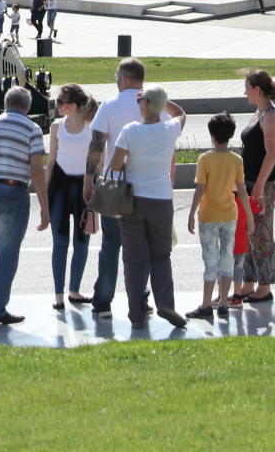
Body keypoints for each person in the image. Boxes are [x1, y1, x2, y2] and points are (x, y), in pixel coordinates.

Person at [105, 86, 189, 329]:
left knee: (134, 258)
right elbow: (181, 114)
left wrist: (130, 162)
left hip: (133, 200)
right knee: (161, 255)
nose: (138, 104)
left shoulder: (130, 130)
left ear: (146, 104)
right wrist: (163, 102)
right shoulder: (169, 129)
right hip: (161, 200)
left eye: (140, 101)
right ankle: (165, 303)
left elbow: (115, 165)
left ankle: (136, 315)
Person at [0, 86, 49, 326]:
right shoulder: (32, 129)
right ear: (27, 107)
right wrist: (44, 208)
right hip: (13, 191)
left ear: (6, 103)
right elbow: (36, 170)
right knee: (7, 255)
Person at [82, 58, 146, 318]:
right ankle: (140, 298)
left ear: (124, 78)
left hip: (114, 184)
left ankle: (103, 302)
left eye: (117, 77)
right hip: (147, 184)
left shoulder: (109, 105)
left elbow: (97, 146)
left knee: (111, 245)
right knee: (141, 247)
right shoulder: (155, 103)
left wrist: (88, 180)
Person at [186, 113, 254, 320]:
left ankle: (207, 304)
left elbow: (200, 189)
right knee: (227, 257)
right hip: (229, 214)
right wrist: (249, 217)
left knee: (210, 259)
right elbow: (241, 190)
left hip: (208, 215)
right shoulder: (236, 160)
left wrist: (191, 213)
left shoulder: (205, 159)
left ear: (212, 136)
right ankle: (224, 302)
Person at [46, 83, 96, 312]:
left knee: (82, 241)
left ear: (74, 105)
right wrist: (44, 197)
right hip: (59, 186)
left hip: (84, 186)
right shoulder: (57, 126)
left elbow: (98, 161)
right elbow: (50, 162)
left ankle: (74, 290)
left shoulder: (91, 127)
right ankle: (58, 294)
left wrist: (96, 189)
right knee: (60, 240)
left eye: (61, 102)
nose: (58, 105)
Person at [237, 69, 275, 304]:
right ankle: (248, 283)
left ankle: (264, 286)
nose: (244, 92)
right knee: (248, 233)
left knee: (262, 234)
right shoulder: (260, 112)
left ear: (257, 89)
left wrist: (259, 187)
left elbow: (271, 154)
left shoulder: (271, 116)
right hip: (250, 182)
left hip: (264, 183)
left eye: (247, 87)